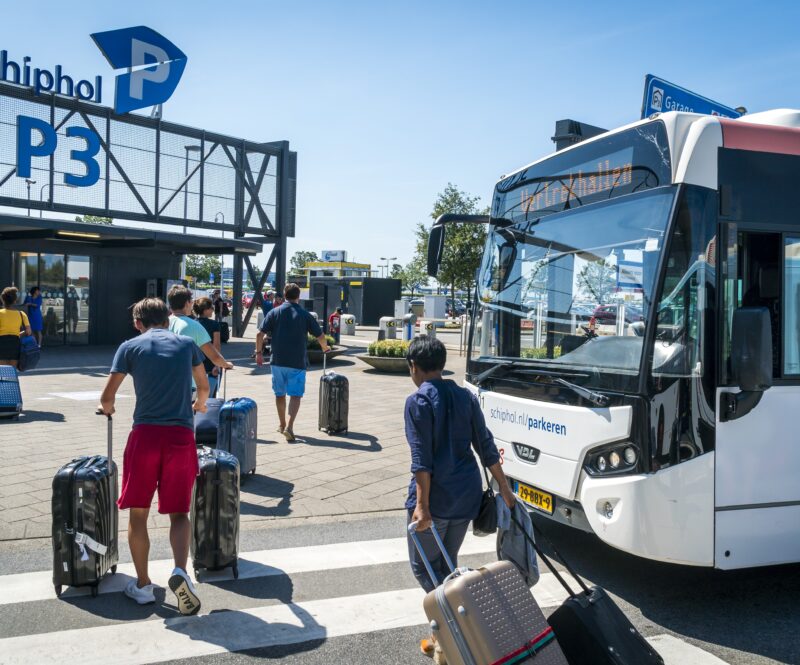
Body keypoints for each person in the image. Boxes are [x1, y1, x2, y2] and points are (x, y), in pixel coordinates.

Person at [403, 335, 516, 659]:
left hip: (435, 500)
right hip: (465, 497)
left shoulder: (418, 402)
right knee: (448, 564)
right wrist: (505, 490)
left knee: (425, 568)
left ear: (415, 367)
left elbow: (421, 459)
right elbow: (486, 446)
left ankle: (459, 633)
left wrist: (422, 507)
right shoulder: (466, 397)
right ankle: (442, 637)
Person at [97, 297, 208, 615]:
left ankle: (144, 585)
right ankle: (179, 571)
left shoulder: (129, 347)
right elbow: (202, 388)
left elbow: (108, 396)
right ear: (167, 318)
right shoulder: (187, 344)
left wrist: (107, 408)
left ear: (137, 323)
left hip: (145, 437)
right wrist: (198, 405)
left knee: (138, 513)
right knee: (179, 513)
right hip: (180, 437)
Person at [255, 283, 330, 441]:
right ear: (298, 296)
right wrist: (325, 348)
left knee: (279, 394)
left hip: (277, 361)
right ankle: (289, 426)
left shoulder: (275, 312)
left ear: (284, 295)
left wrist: (259, 353)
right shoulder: (304, 315)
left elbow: (259, 335)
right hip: (297, 361)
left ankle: (282, 425)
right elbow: (320, 336)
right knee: (295, 395)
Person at [167, 286, 234, 384]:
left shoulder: (162, 323)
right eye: (191, 301)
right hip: (187, 383)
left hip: (166, 381)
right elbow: (215, 356)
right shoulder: (193, 325)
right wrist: (226, 364)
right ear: (186, 303)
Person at [193, 296, 222, 398]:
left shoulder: (192, 323)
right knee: (209, 398)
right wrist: (217, 364)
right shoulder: (214, 324)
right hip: (210, 365)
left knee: (194, 397)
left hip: (195, 364)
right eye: (211, 308)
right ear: (205, 310)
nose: (213, 310)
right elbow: (216, 345)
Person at [0, 287, 32, 367]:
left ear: (3, 300)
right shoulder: (21, 314)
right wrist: (17, 334)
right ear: (15, 301)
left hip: (1, 344)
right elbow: (28, 332)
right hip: (15, 344)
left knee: (1, 372)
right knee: (12, 371)